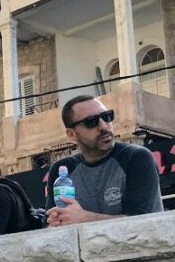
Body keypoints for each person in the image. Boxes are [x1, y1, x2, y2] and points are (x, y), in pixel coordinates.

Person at [45, 95, 163, 226]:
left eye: (107, 116)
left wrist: (84, 218)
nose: (103, 126)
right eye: (91, 121)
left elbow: (142, 222)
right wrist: (55, 222)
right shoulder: (62, 170)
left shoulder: (136, 158)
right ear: (71, 134)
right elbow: (50, 222)